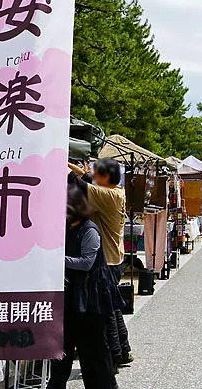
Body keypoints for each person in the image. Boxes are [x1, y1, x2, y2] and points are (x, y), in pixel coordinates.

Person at [50, 176, 118, 389]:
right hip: (72, 298)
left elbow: (87, 263)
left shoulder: (89, 230)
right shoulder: (68, 229)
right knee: (61, 351)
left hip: (92, 301)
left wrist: (57, 259)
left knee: (95, 352)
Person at [69, 159, 133, 369]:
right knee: (112, 307)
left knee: (105, 311)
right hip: (114, 257)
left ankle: (112, 357)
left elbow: (79, 184)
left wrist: (56, 162)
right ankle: (124, 351)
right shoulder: (116, 191)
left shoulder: (108, 196)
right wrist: (67, 162)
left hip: (107, 260)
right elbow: (85, 177)